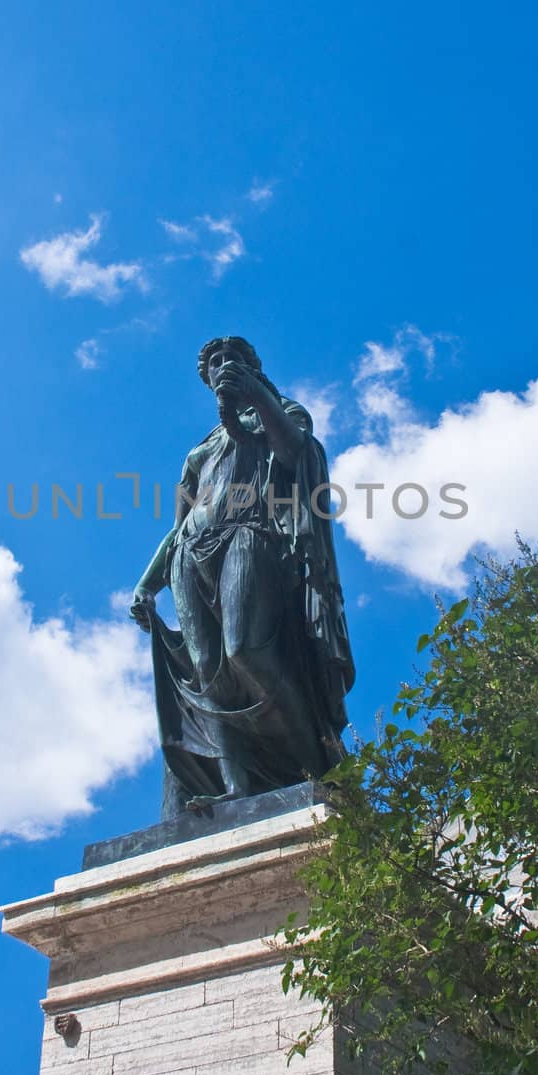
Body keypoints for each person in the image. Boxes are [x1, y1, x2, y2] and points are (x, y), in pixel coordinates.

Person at [130, 336, 355, 817]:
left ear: (252, 368)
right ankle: (236, 786)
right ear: (207, 378)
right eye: (215, 362)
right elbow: (177, 526)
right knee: (210, 673)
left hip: (251, 536)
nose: (223, 366)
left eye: (234, 360)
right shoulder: (200, 450)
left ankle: (320, 772)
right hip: (191, 553)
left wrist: (257, 397)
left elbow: (298, 454)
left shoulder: (279, 412)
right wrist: (149, 582)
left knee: (246, 650)